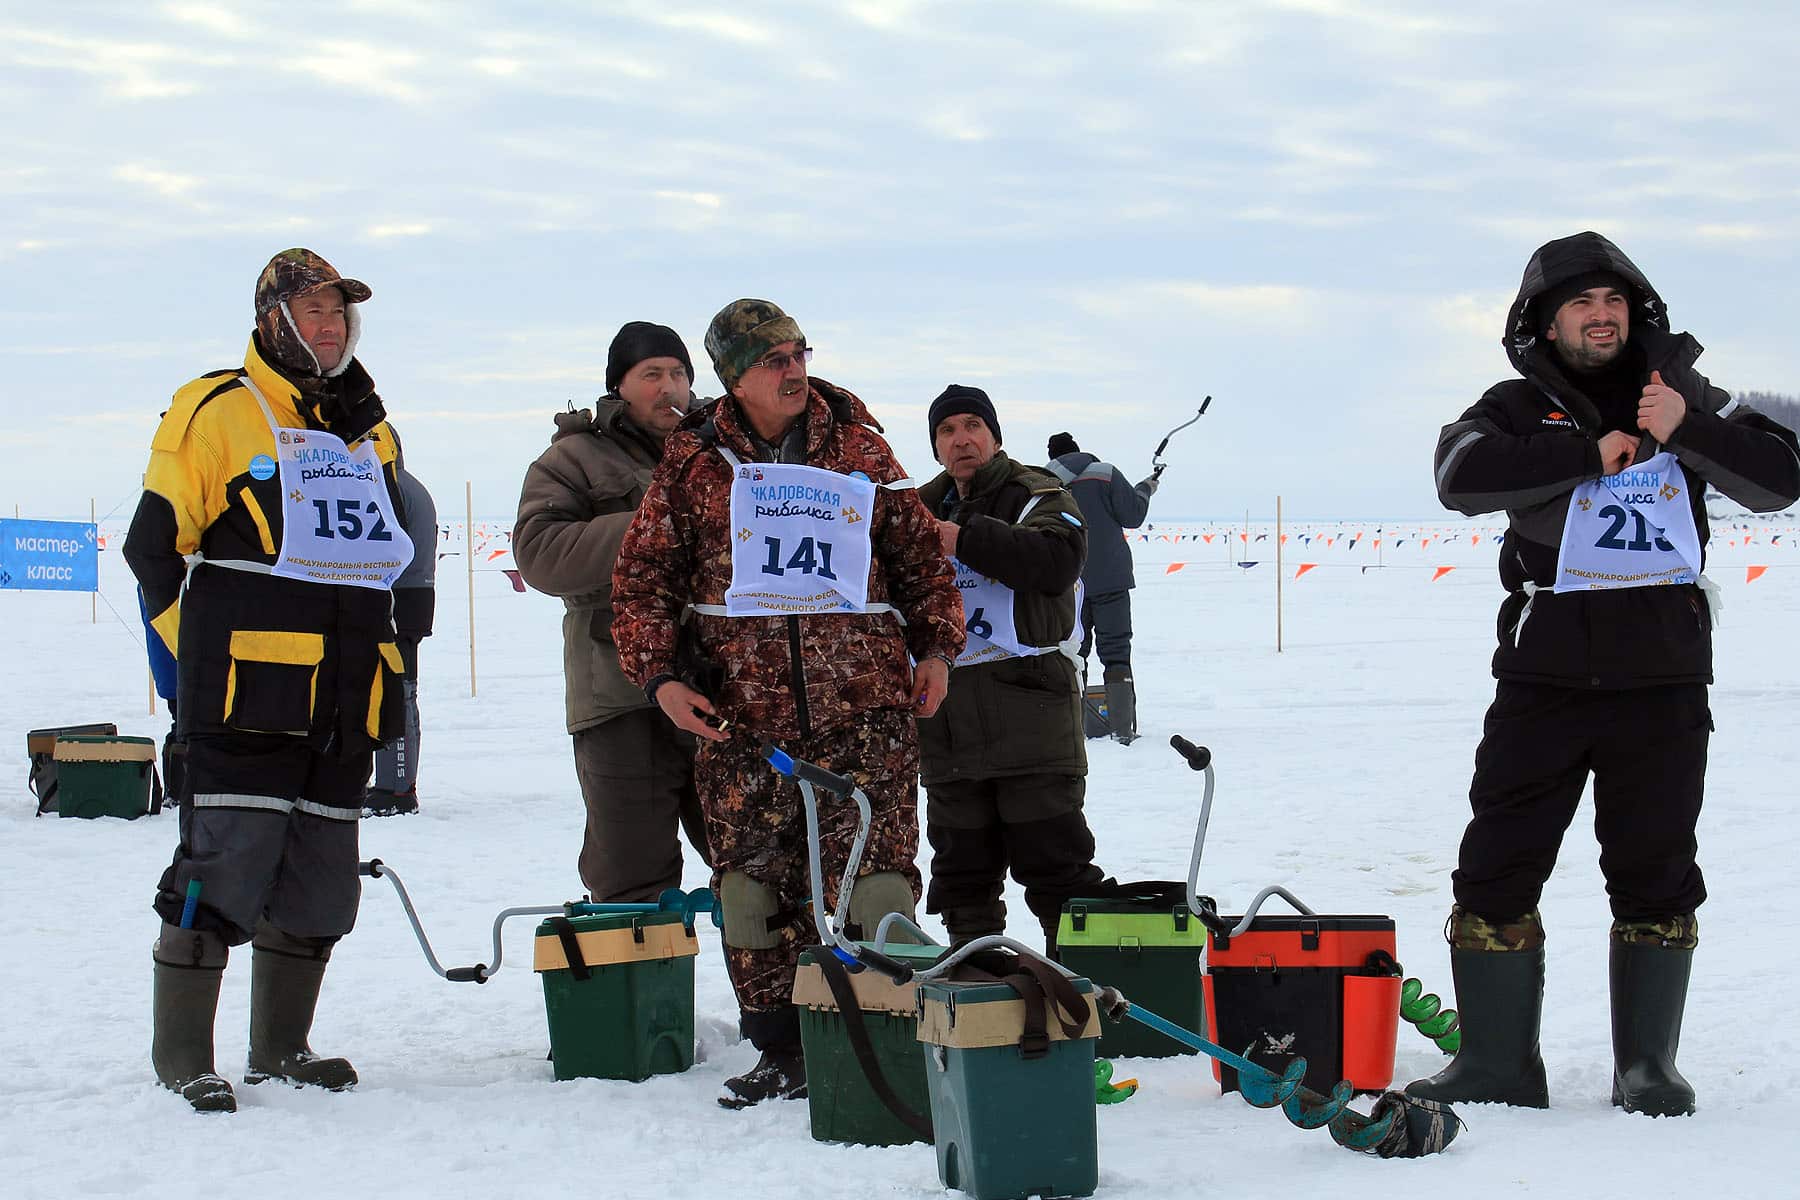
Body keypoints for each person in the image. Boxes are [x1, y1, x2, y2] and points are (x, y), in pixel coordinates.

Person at [1414, 231, 1800, 1117]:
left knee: (1656, 870)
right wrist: (1589, 454)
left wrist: (1686, 429)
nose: (1600, 316)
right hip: (1541, 678)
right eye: (1580, 305)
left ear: (1637, 313)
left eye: (1614, 302)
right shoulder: (1513, 405)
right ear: (1545, 326)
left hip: (1662, 679)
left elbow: (1781, 481)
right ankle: (1499, 1064)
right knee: (1496, 868)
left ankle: (1647, 1067)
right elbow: (1458, 474)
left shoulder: (1682, 393)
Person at [611, 299, 965, 1108]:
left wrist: (938, 649)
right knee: (753, 892)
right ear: (734, 377)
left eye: (798, 352)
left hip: (867, 711)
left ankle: (891, 1041)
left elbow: (921, 563)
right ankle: (779, 1050)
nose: (793, 369)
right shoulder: (691, 460)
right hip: (742, 722)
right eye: (772, 360)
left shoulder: (864, 450)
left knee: (874, 887)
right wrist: (661, 678)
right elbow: (640, 583)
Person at [123, 248, 414, 1113]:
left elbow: (391, 554)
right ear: (270, 320)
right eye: (312, 314)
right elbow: (152, 547)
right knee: (224, 870)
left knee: (322, 880)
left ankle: (282, 1047)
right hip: (242, 693)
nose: (329, 329)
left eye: (340, 316)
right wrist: (198, 655)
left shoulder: (371, 425)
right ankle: (184, 1058)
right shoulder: (217, 408)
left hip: (348, 691)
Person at [513, 322, 713, 900]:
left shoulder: (722, 452)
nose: (669, 387)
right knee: (631, 879)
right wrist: (654, 523)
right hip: (619, 698)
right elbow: (541, 556)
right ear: (618, 387)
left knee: (763, 872)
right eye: (652, 374)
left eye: (678, 373)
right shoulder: (571, 459)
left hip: (722, 693)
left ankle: (782, 991)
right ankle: (638, 990)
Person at [917, 386, 1108, 951]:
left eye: (973, 425)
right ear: (935, 447)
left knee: (1057, 871)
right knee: (962, 880)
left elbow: (1057, 560)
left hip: (1033, 721)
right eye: (947, 431)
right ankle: (978, 1000)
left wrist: (963, 539)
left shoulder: (1039, 493)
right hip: (948, 730)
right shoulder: (918, 508)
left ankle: (1084, 995)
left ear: (995, 435)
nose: (962, 439)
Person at [1045, 431, 1160, 743]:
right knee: (1116, 653)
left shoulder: (1043, 482)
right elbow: (1133, 515)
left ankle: (1073, 731)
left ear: (1053, 457)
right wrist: (1145, 489)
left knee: (1072, 655)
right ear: (1079, 451)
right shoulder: (1105, 473)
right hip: (1112, 579)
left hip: (1067, 585)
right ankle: (1123, 730)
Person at [364, 443, 436, 816]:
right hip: (414, 597)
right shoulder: (411, 486)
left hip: (398, 598)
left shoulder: (390, 487)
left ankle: (396, 787)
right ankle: (397, 783)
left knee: (398, 692)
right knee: (403, 690)